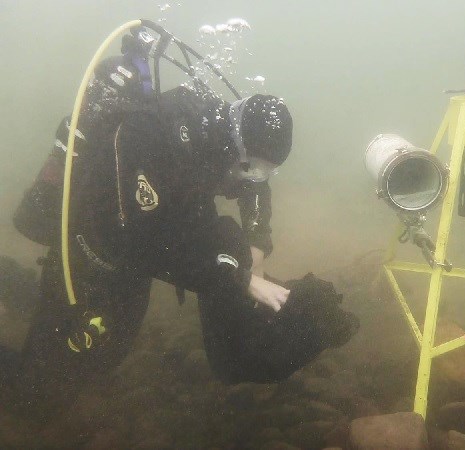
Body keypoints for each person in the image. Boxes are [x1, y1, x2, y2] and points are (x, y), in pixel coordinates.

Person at [9, 28, 358, 415]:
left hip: (143, 249)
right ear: (238, 146)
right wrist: (238, 278)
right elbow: (132, 240)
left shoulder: (226, 136)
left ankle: (22, 292)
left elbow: (254, 186)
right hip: (92, 252)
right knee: (38, 388)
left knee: (108, 355)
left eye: (266, 170)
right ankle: (14, 286)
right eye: (254, 166)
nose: (255, 177)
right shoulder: (155, 136)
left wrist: (257, 242)